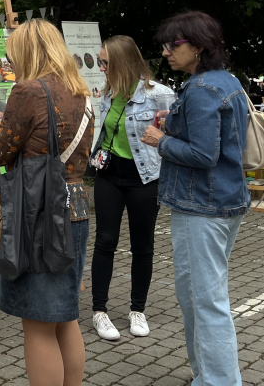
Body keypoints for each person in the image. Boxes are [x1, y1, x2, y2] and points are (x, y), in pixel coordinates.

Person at [0, 19, 94, 386]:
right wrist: (4, 121)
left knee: (38, 325)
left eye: (13, 56)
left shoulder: (27, 91)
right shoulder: (80, 89)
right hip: (76, 206)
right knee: (65, 316)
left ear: (26, 53)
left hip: (40, 213)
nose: (11, 64)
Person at [141, 11, 247, 386]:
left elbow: (204, 155)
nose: (167, 51)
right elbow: (218, 139)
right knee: (200, 298)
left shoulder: (202, 89)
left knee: (205, 303)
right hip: (222, 202)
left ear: (199, 45)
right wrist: (174, 120)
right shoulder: (225, 82)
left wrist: (161, 141)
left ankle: (218, 381)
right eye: (166, 44)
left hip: (201, 206)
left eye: (175, 44)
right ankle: (208, 376)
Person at [89, 36, 175, 341]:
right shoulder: (109, 94)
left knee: (143, 245)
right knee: (105, 242)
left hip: (145, 178)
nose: (100, 68)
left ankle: (137, 309)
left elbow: (175, 138)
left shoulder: (160, 95)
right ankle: (100, 312)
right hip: (109, 176)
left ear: (122, 63)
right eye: (99, 62)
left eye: (105, 62)